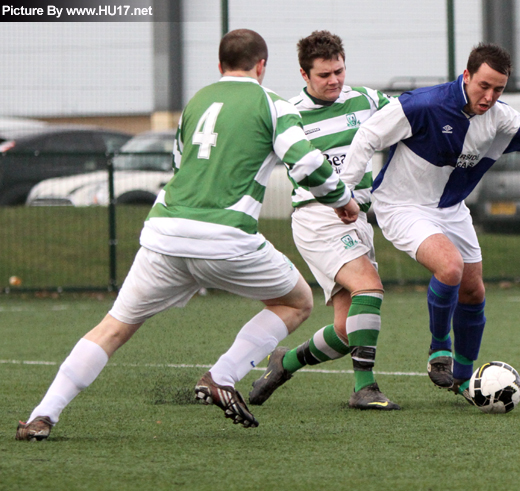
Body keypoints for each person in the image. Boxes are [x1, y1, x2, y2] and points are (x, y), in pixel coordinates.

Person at [15, 28, 360, 441]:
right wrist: (343, 200)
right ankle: (222, 375)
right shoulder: (274, 105)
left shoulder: (195, 102)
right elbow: (307, 165)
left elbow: (181, 164)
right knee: (297, 301)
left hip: (164, 234)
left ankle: (42, 416)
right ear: (262, 66)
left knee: (113, 327)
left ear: (219, 66)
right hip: (225, 239)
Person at [339, 43, 520, 401]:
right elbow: (367, 135)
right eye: (483, 86)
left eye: (499, 89)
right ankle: (438, 350)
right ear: (467, 75)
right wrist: (348, 190)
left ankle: (462, 378)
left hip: (451, 209)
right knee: (450, 267)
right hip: (402, 205)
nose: (489, 96)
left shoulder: (500, 118)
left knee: (473, 290)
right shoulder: (424, 104)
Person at [249, 30, 399, 410]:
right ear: (304, 75)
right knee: (369, 287)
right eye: (324, 75)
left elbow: (407, 117)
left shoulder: (367, 100)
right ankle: (364, 388)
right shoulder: (290, 114)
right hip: (318, 217)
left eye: (339, 71)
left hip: (358, 217)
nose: (334, 80)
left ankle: (284, 363)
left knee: (348, 330)